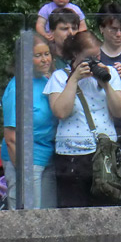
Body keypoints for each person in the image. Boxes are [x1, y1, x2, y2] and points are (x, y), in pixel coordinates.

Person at [44, 31, 121, 207]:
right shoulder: (59, 77)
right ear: (75, 55)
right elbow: (60, 112)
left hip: (104, 153)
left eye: (98, 56)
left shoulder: (109, 73)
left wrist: (106, 84)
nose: (95, 61)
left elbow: (120, 111)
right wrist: (73, 80)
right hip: (72, 155)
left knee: (106, 208)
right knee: (73, 211)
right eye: (90, 57)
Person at [1, 36, 58, 209]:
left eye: (47, 54)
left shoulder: (46, 81)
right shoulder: (17, 87)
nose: (44, 59)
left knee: (48, 217)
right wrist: (23, 174)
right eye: (38, 55)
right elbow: (11, 138)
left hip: (47, 158)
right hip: (26, 162)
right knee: (28, 217)